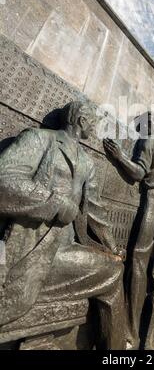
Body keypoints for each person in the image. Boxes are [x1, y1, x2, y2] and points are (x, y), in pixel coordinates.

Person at [0, 101, 125, 349]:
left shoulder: (87, 163)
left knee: (113, 266)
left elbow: (95, 215)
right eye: (94, 123)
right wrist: (54, 204)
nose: (96, 129)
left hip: (64, 249)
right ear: (81, 121)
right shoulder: (38, 139)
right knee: (112, 273)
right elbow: (4, 181)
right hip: (33, 249)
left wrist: (112, 248)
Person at [103, 112, 154, 349]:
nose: (137, 131)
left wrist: (119, 155)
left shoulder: (148, 140)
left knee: (138, 262)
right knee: (140, 260)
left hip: (151, 200)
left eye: (138, 126)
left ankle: (131, 330)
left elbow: (139, 173)